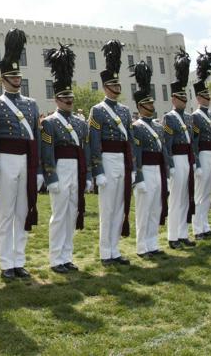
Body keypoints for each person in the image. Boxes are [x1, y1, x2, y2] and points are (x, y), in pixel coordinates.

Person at [0, 29, 42, 280]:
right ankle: (5, 262)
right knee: (6, 212)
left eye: (17, 75)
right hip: (5, 158)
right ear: (3, 79)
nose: (16, 80)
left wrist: (38, 168)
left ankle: (19, 259)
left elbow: (38, 139)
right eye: (11, 76)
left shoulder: (31, 104)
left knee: (22, 210)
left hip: (26, 160)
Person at [40, 43, 91, 274]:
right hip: (60, 168)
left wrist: (87, 174)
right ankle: (55, 258)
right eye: (64, 97)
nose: (69, 100)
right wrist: (51, 177)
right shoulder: (50, 123)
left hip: (76, 168)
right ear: (56, 100)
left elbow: (85, 150)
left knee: (72, 213)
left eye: (70, 97)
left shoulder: (80, 123)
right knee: (59, 215)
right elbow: (47, 152)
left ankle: (67, 256)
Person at [89, 40, 135, 266]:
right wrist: (98, 170)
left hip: (121, 160)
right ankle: (105, 251)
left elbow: (130, 142)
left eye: (118, 84)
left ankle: (115, 249)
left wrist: (132, 166)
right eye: (113, 85)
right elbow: (94, 143)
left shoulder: (125, 111)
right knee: (107, 207)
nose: (117, 88)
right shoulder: (97, 110)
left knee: (119, 206)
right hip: (106, 158)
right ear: (106, 86)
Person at [162, 49, 198, 249]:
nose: (184, 101)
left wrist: (193, 161)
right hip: (176, 158)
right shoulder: (169, 117)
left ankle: (183, 233)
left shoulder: (189, 117)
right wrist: (170, 165)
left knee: (186, 196)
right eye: (180, 98)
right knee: (175, 198)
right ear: (174, 99)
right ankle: (173, 236)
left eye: (185, 98)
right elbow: (166, 144)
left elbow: (191, 142)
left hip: (187, 158)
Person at [129, 61, 165, 258]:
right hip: (146, 170)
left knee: (155, 208)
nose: (152, 106)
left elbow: (163, 152)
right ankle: (142, 246)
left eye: (152, 103)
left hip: (157, 169)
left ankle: (153, 243)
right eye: (148, 104)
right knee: (144, 210)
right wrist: (139, 177)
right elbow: (136, 153)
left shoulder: (158, 126)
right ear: (140, 106)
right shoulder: (137, 127)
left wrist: (167, 171)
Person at [191, 49, 211, 239]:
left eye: (209, 97)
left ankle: (205, 225)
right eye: (205, 97)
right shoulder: (195, 116)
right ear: (198, 98)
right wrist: (197, 163)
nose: (208, 99)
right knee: (200, 192)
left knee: (209, 191)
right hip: (202, 153)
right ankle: (197, 227)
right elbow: (193, 142)